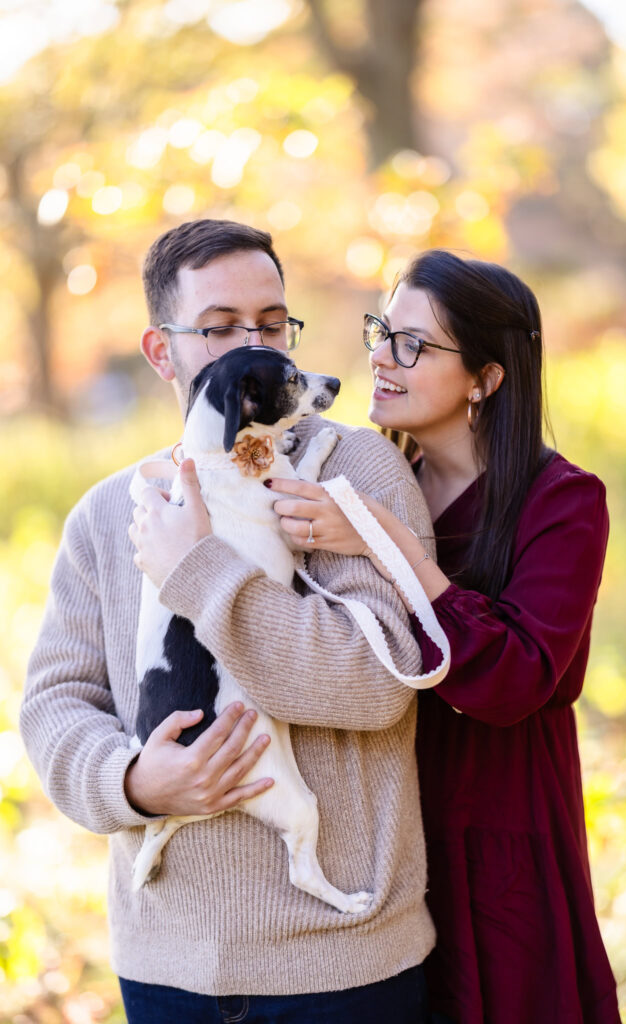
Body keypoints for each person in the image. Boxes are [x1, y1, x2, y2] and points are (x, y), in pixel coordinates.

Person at [20, 219, 437, 1024]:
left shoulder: (352, 472)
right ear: (160, 351)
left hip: (343, 964)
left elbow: (376, 681)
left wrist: (201, 569)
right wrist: (135, 781)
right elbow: (55, 704)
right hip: (165, 970)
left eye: (273, 322)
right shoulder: (108, 513)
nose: (257, 344)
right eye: (218, 329)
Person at [267, 250, 623, 1023]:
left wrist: (384, 541)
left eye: (412, 345)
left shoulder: (560, 503)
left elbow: (516, 677)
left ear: (486, 378)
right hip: (380, 818)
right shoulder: (361, 474)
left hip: (500, 817)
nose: (378, 359)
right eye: (379, 332)